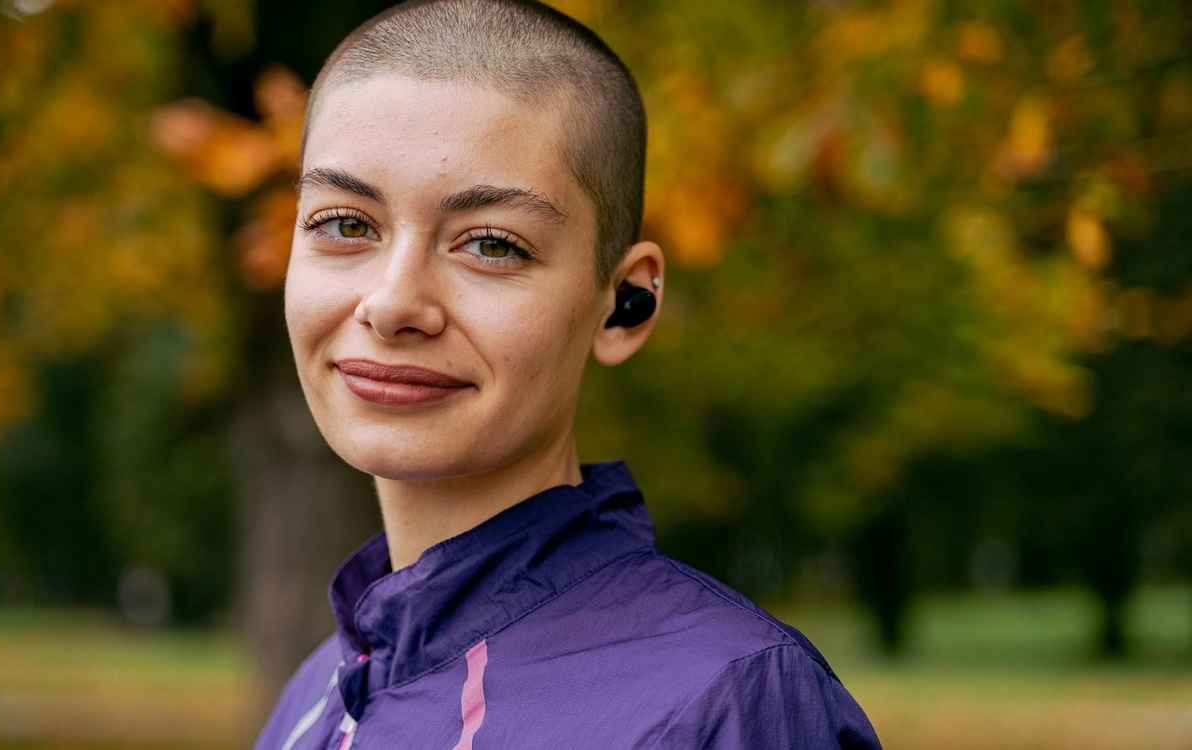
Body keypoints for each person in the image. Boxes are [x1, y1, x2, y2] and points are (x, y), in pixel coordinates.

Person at [256, 0, 883, 747]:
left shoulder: (724, 702)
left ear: (627, 304)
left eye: (490, 244)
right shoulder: (314, 697)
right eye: (346, 224)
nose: (393, 303)